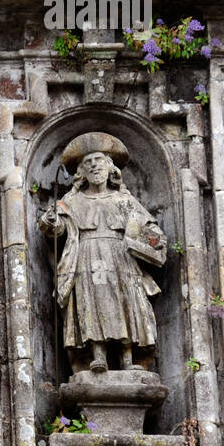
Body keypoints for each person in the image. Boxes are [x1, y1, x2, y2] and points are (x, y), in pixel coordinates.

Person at [39, 131, 166, 374]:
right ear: (81, 173)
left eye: (99, 161)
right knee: (91, 302)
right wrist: (52, 223)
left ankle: (128, 358)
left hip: (121, 258)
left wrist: (151, 239)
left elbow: (149, 230)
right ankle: (98, 356)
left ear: (110, 168)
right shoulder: (72, 201)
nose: (94, 166)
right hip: (87, 257)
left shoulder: (124, 201)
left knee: (126, 301)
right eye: (88, 163)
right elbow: (58, 228)